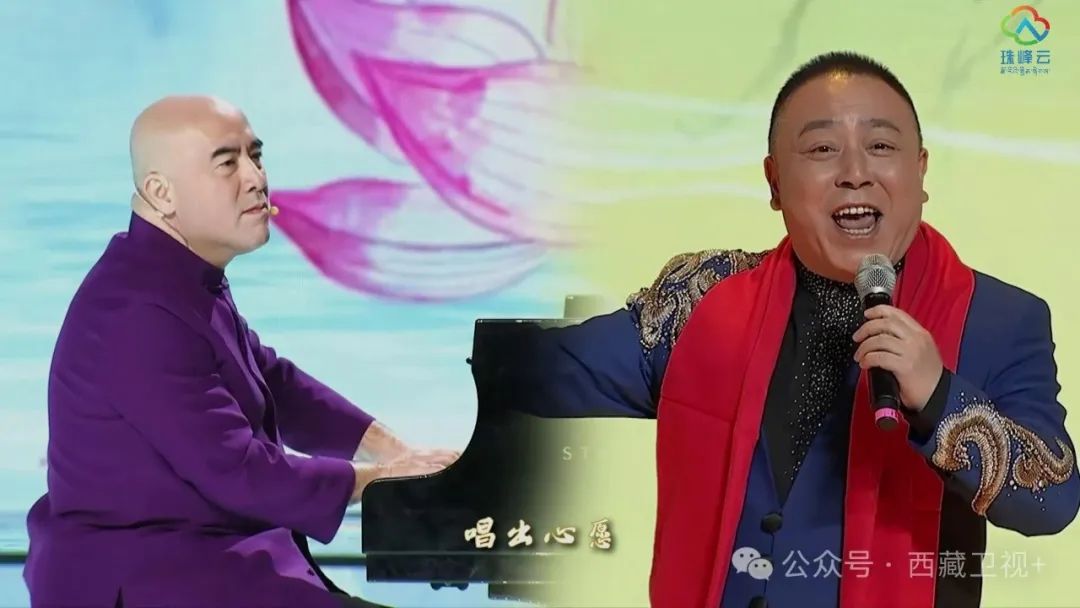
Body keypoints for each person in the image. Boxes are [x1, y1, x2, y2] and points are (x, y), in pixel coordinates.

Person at [512, 52, 1080, 607]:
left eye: (881, 147)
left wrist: (938, 395)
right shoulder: (703, 302)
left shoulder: (998, 318)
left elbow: (1053, 499)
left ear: (921, 171)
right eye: (822, 149)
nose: (855, 173)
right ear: (775, 181)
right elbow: (536, 371)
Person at [23, 96, 458, 608]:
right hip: (157, 579)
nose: (256, 178)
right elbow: (238, 469)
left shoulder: (174, 275)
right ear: (162, 193)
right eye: (227, 163)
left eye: (256, 155)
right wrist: (381, 480)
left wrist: (394, 450)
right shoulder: (137, 309)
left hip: (212, 566)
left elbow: (272, 379)